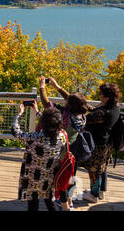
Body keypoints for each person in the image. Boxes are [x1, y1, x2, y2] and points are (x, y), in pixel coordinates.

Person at [37, 76, 89, 210]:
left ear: (69, 105)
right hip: (74, 149)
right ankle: (70, 201)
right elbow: (73, 100)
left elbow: (47, 105)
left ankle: (66, 206)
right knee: (70, 175)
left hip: (63, 151)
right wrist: (57, 87)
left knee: (61, 179)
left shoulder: (65, 115)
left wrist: (42, 87)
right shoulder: (82, 114)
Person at [12, 103, 69, 211]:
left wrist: (19, 115)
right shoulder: (63, 136)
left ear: (43, 123)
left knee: (33, 204)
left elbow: (15, 132)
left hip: (34, 177)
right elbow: (52, 124)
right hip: (51, 176)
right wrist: (37, 112)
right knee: (49, 201)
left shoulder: (35, 138)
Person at [80, 83, 121, 203]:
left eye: (101, 93)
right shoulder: (115, 107)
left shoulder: (102, 112)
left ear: (107, 97)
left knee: (93, 170)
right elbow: (96, 111)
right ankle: (101, 192)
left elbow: (86, 119)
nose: (99, 95)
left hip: (97, 144)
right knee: (102, 168)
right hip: (107, 143)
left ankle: (94, 194)